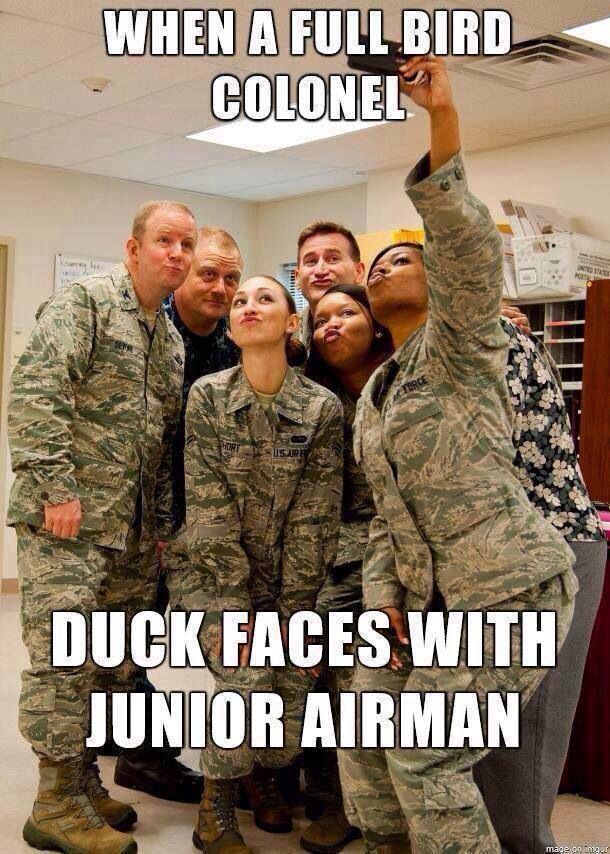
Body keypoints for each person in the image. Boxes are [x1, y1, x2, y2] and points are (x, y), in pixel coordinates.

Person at [337, 55, 577, 854]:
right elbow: (383, 522)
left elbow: (465, 239)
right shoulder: (375, 398)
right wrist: (383, 604)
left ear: (441, 282)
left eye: (401, 258)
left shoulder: (469, 340)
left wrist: (440, 119)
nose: (382, 270)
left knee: (426, 753)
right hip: (429, 601)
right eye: (373, 268)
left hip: (511, 592)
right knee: (368, 725)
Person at [7, 200, 197, 853]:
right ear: (133, 248)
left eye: (185, 244)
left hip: (130, 534)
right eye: (164, 240)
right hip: (68, 521)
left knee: (103, 664)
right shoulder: (85, 304)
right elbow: (36, 392)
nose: (176, 253)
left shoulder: (167, 337)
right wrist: (56, 489)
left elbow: (162, 441)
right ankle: (53, 806)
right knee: (63, 660)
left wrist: (164, 528)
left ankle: (83, 779)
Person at [180, 275, 343, 854]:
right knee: (245, 678)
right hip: (212, 575)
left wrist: (295, 615)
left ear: (291, 322)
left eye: (264, 299)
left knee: (292, 691)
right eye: (240, 302)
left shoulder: (320, 408)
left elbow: (316, 515)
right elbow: (208, 507)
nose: (249, 307)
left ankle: (266, 775)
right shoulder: (207, 396)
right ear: (231, 326)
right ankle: (214, 812)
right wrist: (236, 607)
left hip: (293, 580)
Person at [110, 227, 243, 804]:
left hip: (207, 518)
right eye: (207, 273)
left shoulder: (240, 338)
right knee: (129, 634)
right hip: (136, 514)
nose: (219, 286)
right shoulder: (144, 328)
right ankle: (140, 754)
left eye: (230, 277)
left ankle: (133, 735)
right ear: (180, 274)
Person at [474, 321, 606, 853]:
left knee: (529, 720)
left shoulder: (496, 337)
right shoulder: (400, 365)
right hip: (483, 549)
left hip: (548, 538)